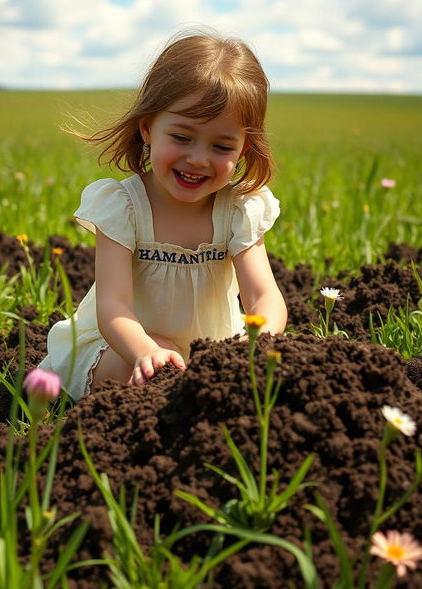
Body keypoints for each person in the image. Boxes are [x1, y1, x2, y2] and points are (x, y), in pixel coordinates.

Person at [40, 28, 288, 400]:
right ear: (148, 128)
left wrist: (253, 348)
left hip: (209, 349)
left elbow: (264, 296)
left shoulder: (238, 210)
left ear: (243, 149)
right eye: (182, 137)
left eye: (221, 145)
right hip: (125, 345)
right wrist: (145, 350)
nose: (198, 159)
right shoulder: (124, 207)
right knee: (143, 376)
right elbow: (114, 307)